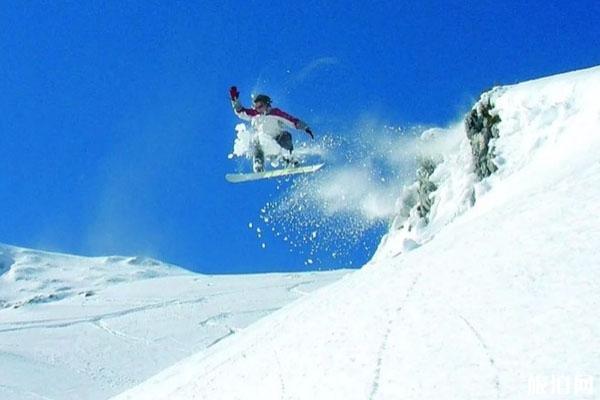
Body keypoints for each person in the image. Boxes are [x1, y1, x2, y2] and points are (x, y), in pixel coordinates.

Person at [229, 86, 314, 172]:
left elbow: (292, 121)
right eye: (256, 107)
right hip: (264, 146)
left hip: (277, 143)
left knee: (286, 135)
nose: (258, 109)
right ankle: (258, 164)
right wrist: (234, 99)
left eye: (260, 106)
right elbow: (240, 112)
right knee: (255, 138)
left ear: (266, 104)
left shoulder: (275, 113)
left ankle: (290, 159)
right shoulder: (254, 114)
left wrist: (305, 127)